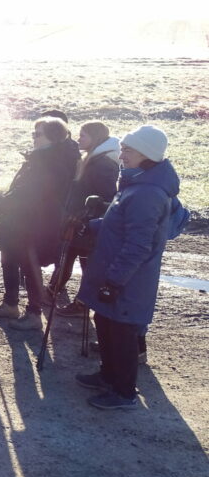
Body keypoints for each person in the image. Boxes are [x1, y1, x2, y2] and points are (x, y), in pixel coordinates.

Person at [75, 125, 180, 410]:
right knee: (105, 323)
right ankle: (108, 375)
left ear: (146, 154)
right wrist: (90, 226)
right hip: (115, 272)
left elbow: (138, 245)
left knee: (122, 333)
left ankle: (124, 392)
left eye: (128, 150)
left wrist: (115, 282)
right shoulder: (135, 183)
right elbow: (116, 223)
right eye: (123, 149)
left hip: (128, 279)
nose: (122, 155)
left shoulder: (148, 193)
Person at [0, 117, 79, 329]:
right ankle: (10, 304)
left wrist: (4, 203)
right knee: (8, 257)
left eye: (38, 134)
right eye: (33, 133)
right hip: (21, 219)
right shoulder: (43, 157)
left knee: (29, 264)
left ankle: (34, 314)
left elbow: (34, 191)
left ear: (52, 138)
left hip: (34, 222)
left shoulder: (52, 161)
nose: (33, 138)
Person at [50, 121, 120, 315]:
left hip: (88, 223)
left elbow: (107, 196)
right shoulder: (90, 158)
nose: (79, 139)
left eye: (83, 135)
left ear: (95, 138)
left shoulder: (103, 164)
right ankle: (53, 290)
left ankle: (83, 302)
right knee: (68, 255)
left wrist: (87, 216)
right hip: (77, 219)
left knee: (86, 263)